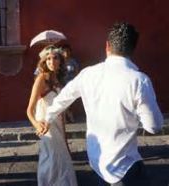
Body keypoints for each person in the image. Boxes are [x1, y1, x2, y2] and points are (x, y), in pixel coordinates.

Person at [43, 22, 164, 186]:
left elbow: (61, 99)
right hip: (125, 167)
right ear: (132, 49)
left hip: (98, 162)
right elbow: (154, 126)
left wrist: (46, 118)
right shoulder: (139, 80)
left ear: (107, 46)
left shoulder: (88, 74)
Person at [26, 45, 78, 186]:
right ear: (44, 61)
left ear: (61, 61)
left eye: (55, 58)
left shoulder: (58, 79)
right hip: (46, 126)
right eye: (48, 58)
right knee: (51, 157)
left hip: (59, 124)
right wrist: (37, 125)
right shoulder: (41, 79)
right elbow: (29, 110)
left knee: (60, 156)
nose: (52, 61)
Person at [60, 44, 80, 123]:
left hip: (71, 84)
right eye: (64, 51)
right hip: (62, 84)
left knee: (70, 100)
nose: (66, 53)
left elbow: (77, 72)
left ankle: (67, 115)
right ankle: (68, 116)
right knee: (63, 100)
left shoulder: (73, 61)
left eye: (68, 51)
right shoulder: (59, 62)